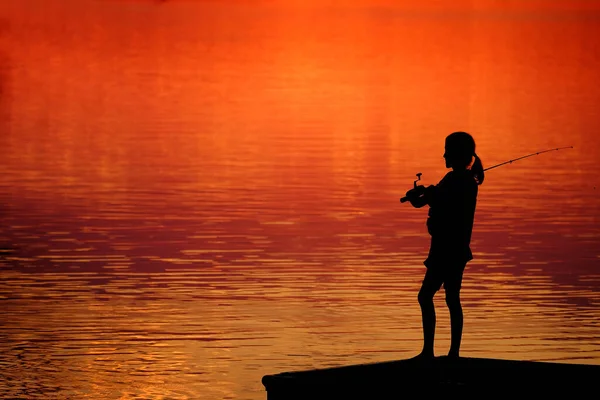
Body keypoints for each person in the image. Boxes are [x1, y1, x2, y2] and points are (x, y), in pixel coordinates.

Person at [405, 131, 484, 358]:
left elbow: (437, 200)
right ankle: (452, 353)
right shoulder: (465, 181)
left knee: (425, 296)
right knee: (452, 299)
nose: (443, 155)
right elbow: (432, 199)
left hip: (446, 250)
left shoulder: (457, 182)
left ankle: (429, 352)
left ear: (457, 154)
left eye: (447, 151)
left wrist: (421, 196)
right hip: (456, 250)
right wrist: (422, 196)